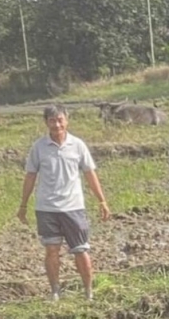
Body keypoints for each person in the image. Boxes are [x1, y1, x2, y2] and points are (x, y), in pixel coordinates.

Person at [19, 104, 109, 302]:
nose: (57, 124)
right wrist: (23, 205)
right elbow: (30, 176)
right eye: (52, 120)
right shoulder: (39, 147)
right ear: (46, 123)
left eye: (60, 120)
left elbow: (89, 173)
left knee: (81, 249)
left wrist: (102, 201)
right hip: (46, 208)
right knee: (51, 250)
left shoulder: (77, 145)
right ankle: (55, 291)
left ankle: (88, 292)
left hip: (73, 207)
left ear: (66, 121)